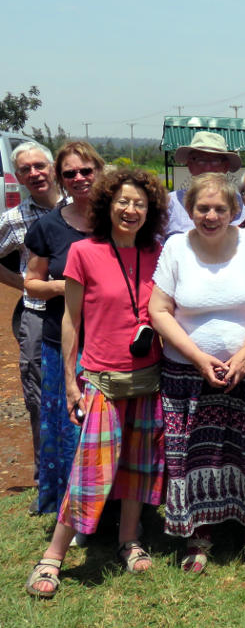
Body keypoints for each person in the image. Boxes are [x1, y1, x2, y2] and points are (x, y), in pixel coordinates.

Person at [25, 167, 168, 598]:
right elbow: (71, 319)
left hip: (148, 377)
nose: (131, 210)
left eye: (140, 203)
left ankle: (129, 539)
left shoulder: (159, 253)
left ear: (151, 211)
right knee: (91, 467)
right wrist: (71, 380)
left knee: (138, 466)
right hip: (101, 378)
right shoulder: (83, 253)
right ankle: (53, 556)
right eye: (123, 201)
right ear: (108, 204)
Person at [149, 173, 245, 579]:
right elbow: (159, 310)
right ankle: (198, 533)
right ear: (189, 212)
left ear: (233, 210)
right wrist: (198, 357)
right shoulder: (175, 247)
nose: (211, 215)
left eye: (220, 208)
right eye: (202, 208)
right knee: (192, 454)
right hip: (187, 373)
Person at [24, 141, 105, 514]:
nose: (79, 178)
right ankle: (72, 508)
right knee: (73, 425)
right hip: (65, 341)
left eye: (85, 171)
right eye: (70, 173)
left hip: (111, 342)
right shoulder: (49, 226)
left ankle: (112, 507)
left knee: (108, 429)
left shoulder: (116, 218)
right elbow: (32, 282)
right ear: (60, 178)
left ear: (98, 171)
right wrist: (66, 286)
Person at [0, 142, 62, 504]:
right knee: (39, 394)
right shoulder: (13, 219)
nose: (34, 173)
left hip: (85, 314)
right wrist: (22, 283)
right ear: (19, 177)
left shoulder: (81, 209)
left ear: (52, 168)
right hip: (38, 313)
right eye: (25, 170)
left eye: (40, 165)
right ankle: (45, 477)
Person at [164, 131, 245, 237]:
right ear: (189, 164)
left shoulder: (240, 203)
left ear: (226, 167)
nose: (207, 168)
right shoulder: (169, 203)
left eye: (215, 160)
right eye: (200, 160)